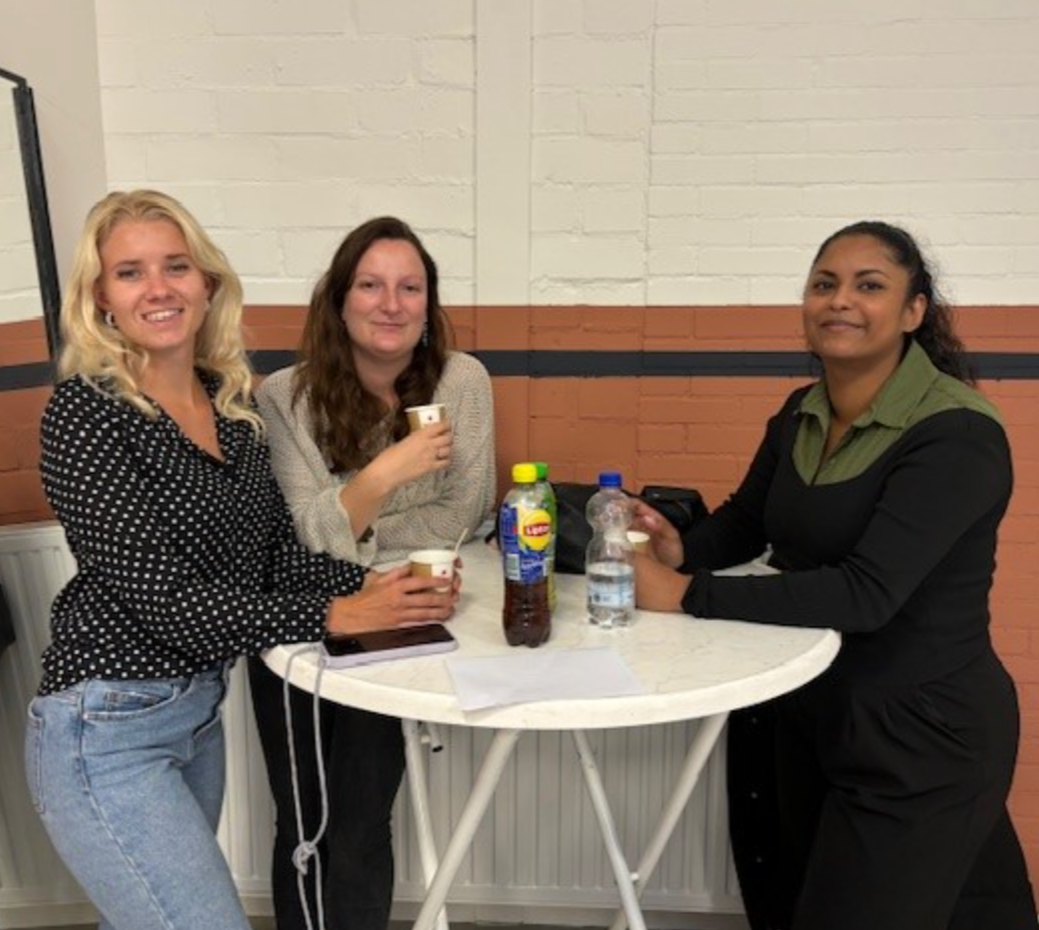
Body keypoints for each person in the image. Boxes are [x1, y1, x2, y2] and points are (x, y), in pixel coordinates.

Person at [24, 190, 457, 930]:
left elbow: (273, 559)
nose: (158, 288)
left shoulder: (231, 407)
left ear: (207, 283)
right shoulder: (86, 413)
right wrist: (340, 611)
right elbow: (167, 605)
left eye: (176, 266)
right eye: (129, 273)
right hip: (105, 728)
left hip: (195, 717)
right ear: (100, 300)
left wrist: (381, 586)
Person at [632, 221, 1036, 930]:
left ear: (913, 311)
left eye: (868, 285)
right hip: (811, 706)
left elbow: (866, 592)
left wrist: (687, 593)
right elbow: (747, 521)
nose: (839, 300)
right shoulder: (801, 412)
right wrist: (679, 550)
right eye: (824, 283)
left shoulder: (957, 434)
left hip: (918, 732)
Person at [248, 215, 496, 930]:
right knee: (302, 821)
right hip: (294, 624)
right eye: (370, 285)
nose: (391, 304)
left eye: (409, 288)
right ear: (339, 300)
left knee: (361, 818)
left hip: (400, 615)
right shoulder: (283, 397)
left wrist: (352, 522)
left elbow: (465, 511)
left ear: (428, 303)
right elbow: (299, 536)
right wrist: (386, 474)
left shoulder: (463, 381)